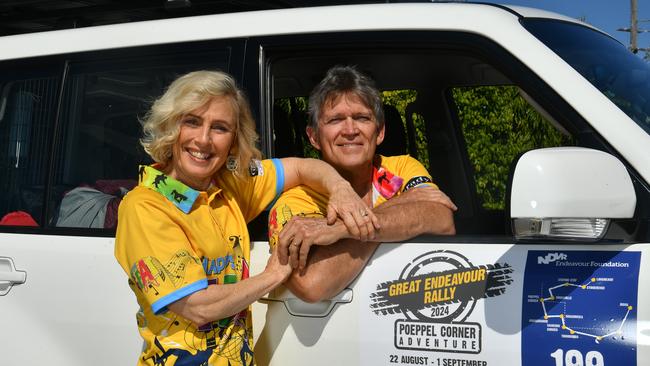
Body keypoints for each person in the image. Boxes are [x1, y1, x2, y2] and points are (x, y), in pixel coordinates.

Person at [114, 70, 377, 366]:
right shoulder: (145, 206)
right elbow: (197, 307)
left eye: (220, 128)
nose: (203, 140)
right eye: (192, 121)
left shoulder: (226, 185)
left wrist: (340, 189)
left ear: (234, 140)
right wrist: (273, 275)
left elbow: (302, 168)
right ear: (171, 126)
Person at [268, 65, 457, 303]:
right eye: (336, 119)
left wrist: (341, 229)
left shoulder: (402, 166)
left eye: (361, 118)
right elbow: (311, 285)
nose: (350, 130)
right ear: (313, 136)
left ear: (379, 132)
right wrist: (403, 206)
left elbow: (442, 217)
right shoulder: (295, 201)